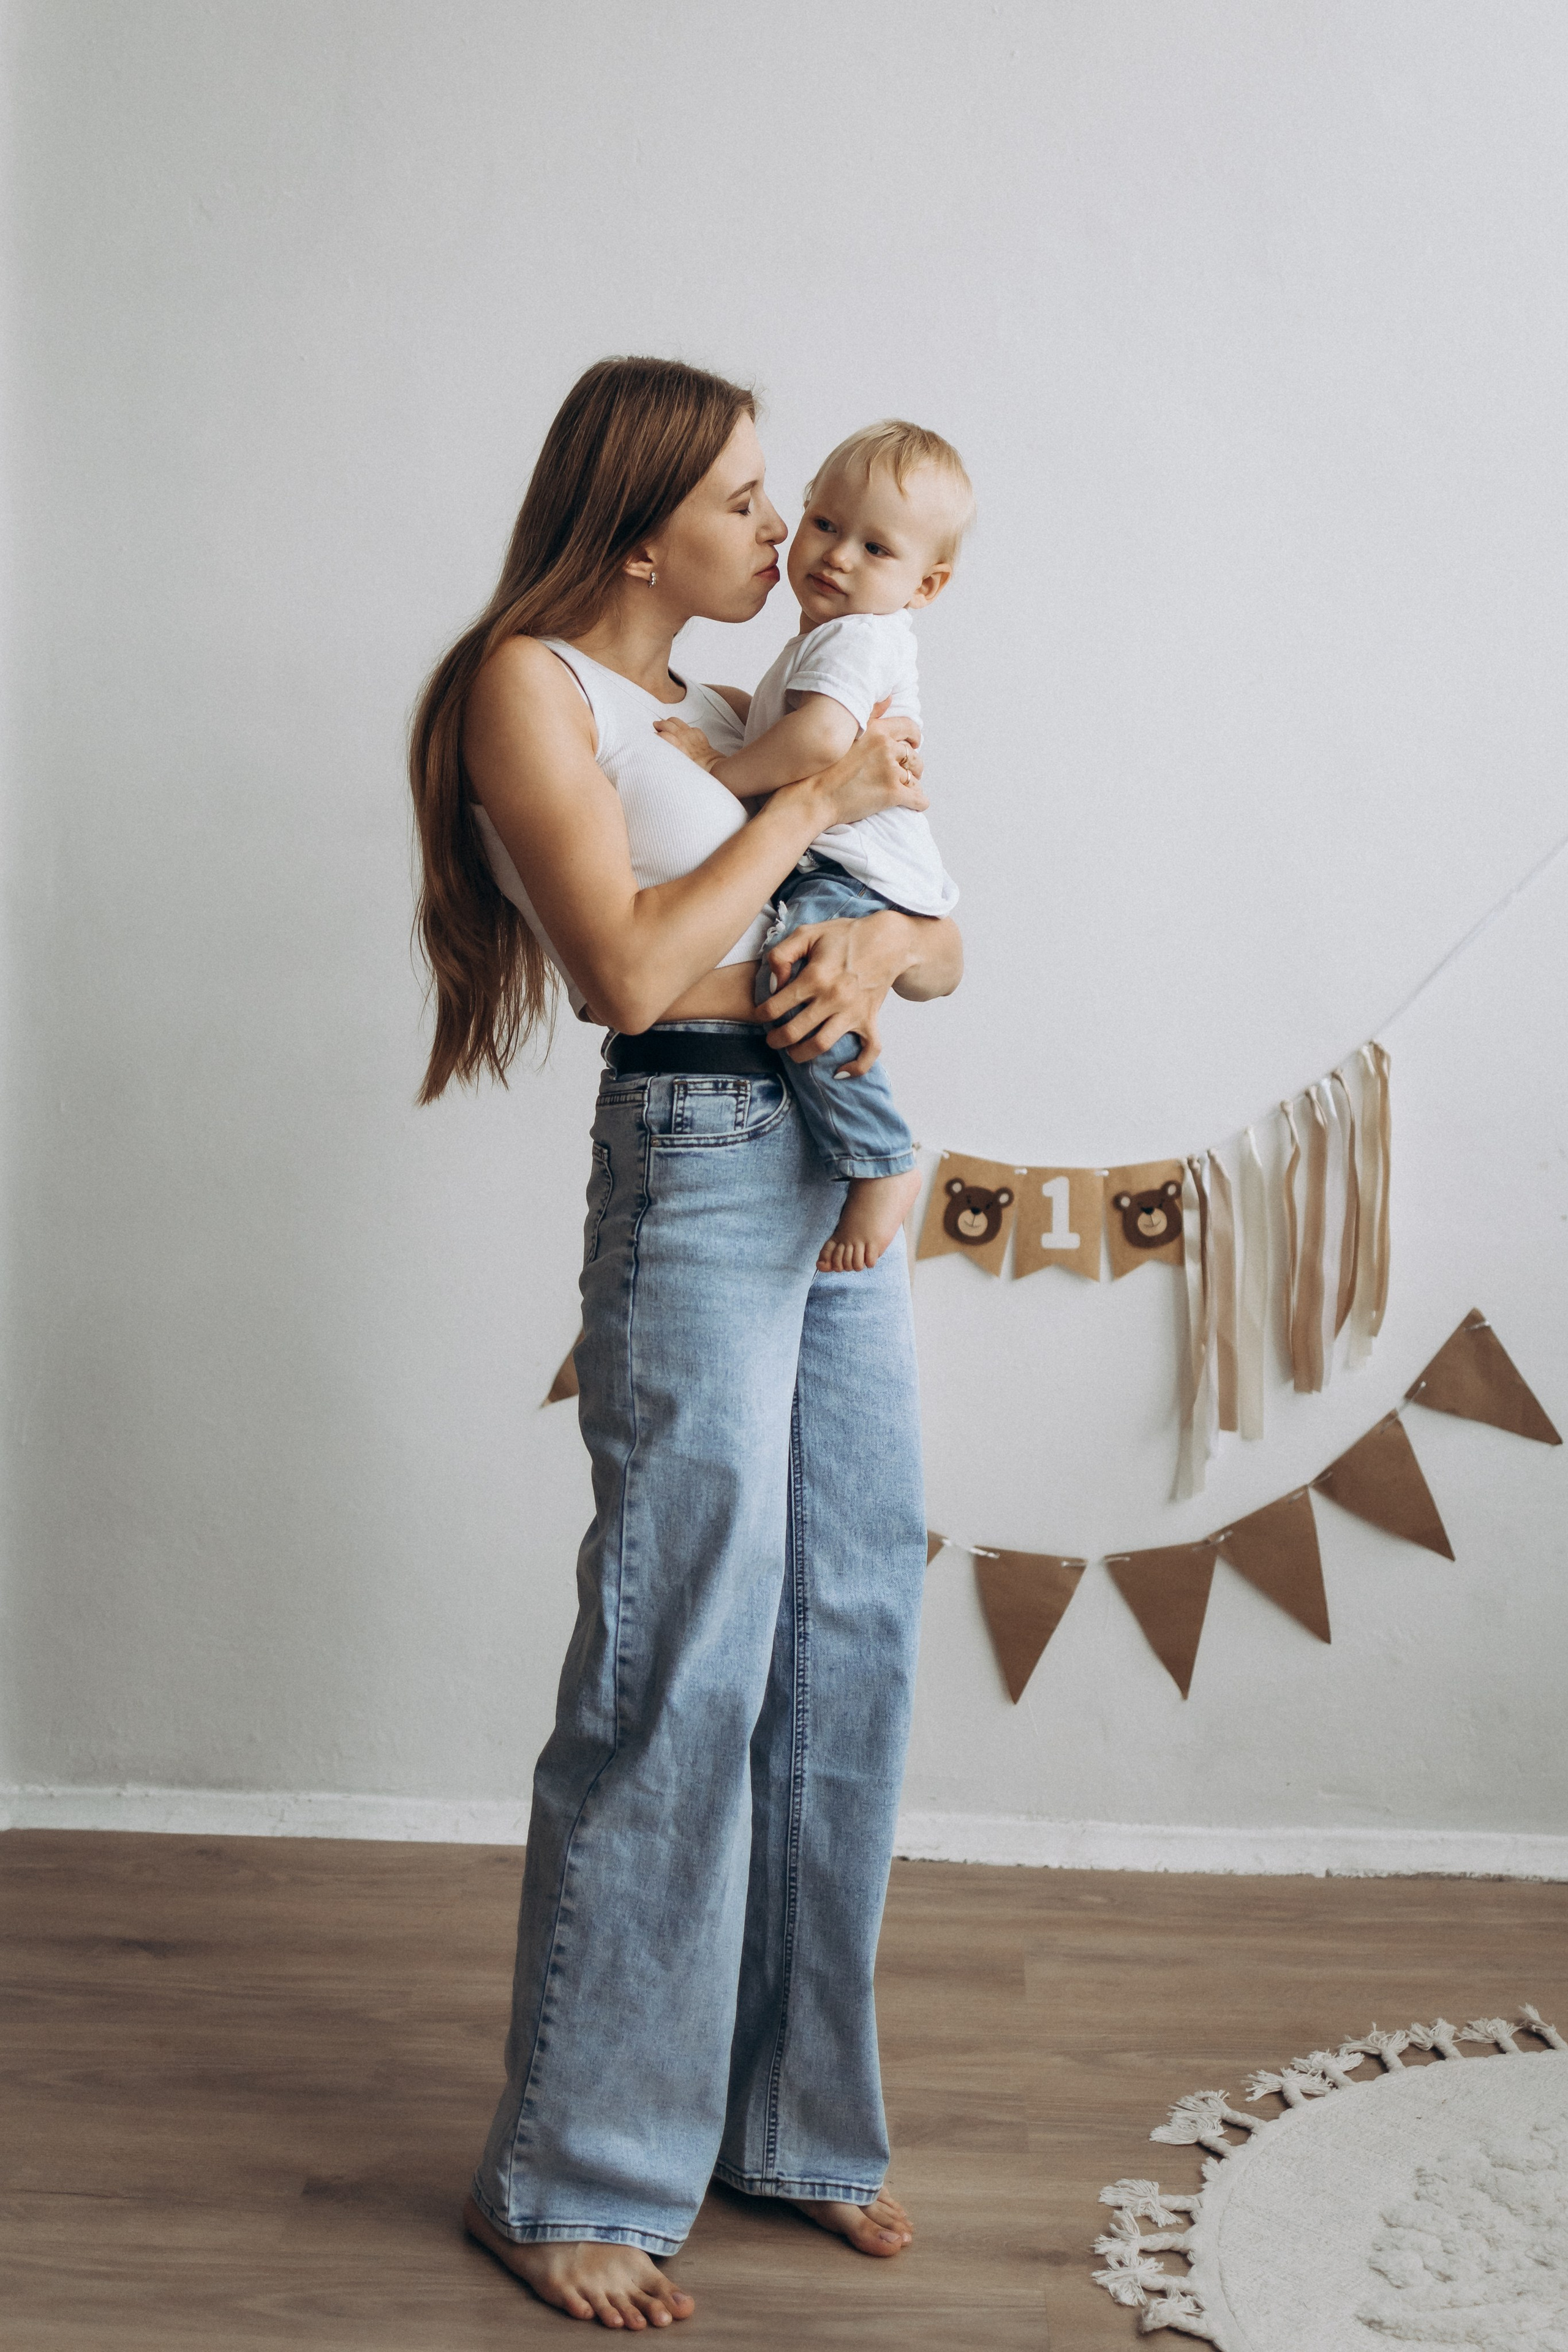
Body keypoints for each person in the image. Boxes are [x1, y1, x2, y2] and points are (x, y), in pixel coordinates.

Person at [409, 355, 963, 2332]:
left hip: (829, 1148)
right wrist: (814, 802)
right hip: (705, 1158)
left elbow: (938, 927)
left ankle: (794, 2127)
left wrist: (880, 941)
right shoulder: (532, 687)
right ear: (639, 528)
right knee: (684, 1663)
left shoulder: (740, 705)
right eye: (741, 497)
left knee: (847, 1639)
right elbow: (634, 970)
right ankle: (571, 2174)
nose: (782, 532)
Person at [653, 417, 970, 1274]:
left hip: (850, 869)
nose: (836, 556)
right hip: (848, 867)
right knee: (805, 979)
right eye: (825, 524)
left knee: (795, 977)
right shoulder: (825, 643)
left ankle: (882, 1158)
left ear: (926, 584)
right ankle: (871, 1153)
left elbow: (823, 741)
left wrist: (715, 771)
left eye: (876, 547)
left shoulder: (854, 638)